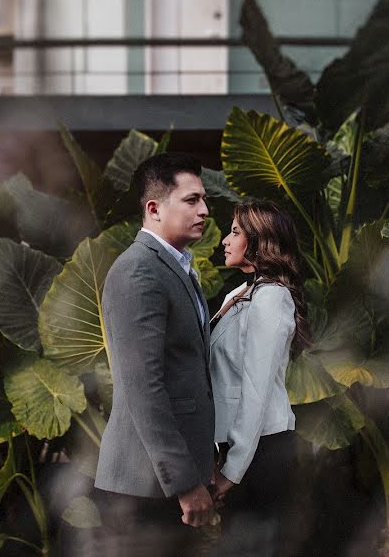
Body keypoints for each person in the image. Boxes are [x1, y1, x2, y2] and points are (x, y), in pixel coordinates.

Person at [93, 153, 216, 554]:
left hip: (163, 485)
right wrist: (184, 481)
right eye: (192, 200)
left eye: (203, 200)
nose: (205, 210)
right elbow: (144, 387)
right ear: (154, 208)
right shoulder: (139, 272)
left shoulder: (174, 267)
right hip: (146, 487)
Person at [208, 200, 311, 556]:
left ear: (259, 240)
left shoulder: (271, 299)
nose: (224, 239)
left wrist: (231, 471)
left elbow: (255, 391)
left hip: (262, 448)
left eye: (235, 231)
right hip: (241, 446)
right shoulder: (239, 294)